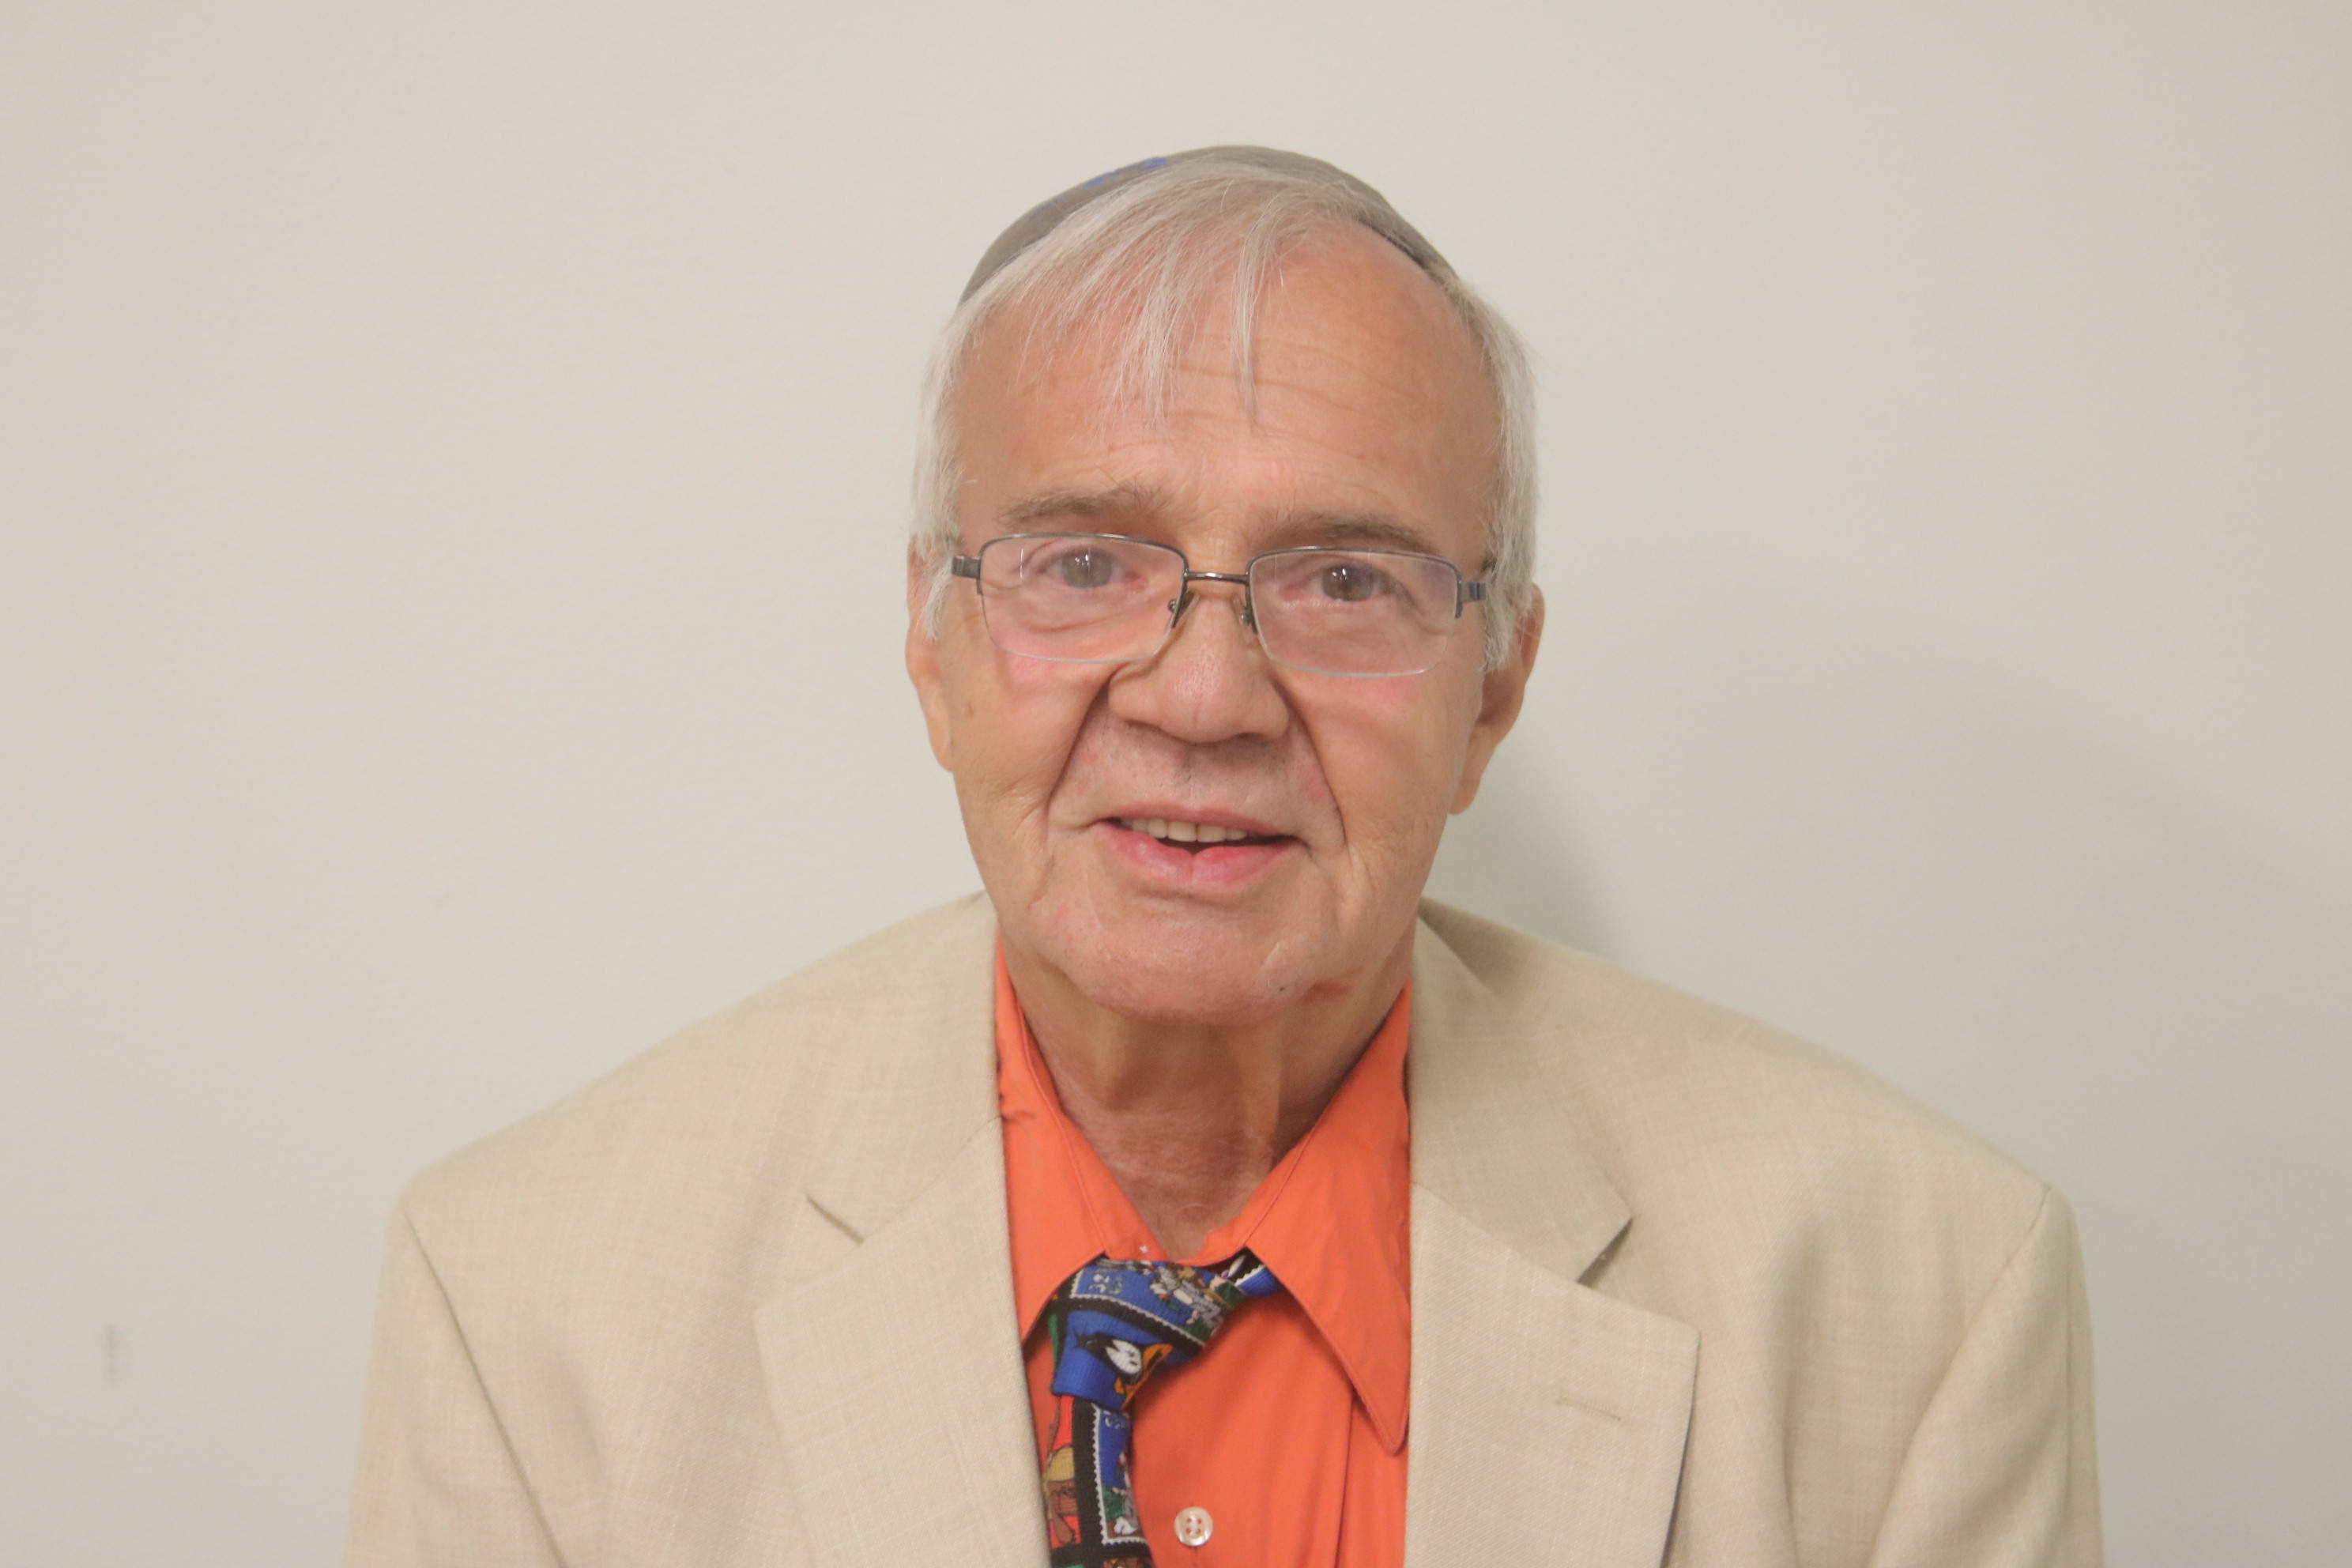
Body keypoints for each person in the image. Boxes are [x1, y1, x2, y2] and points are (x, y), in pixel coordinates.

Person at [344, 148, 2102, 1568]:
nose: (1202, 695)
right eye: (1084, 563)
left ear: (1494, 688)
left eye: (1345, 579)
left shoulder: (1923, 1286)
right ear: (933, 646)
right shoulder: (530, 1300)